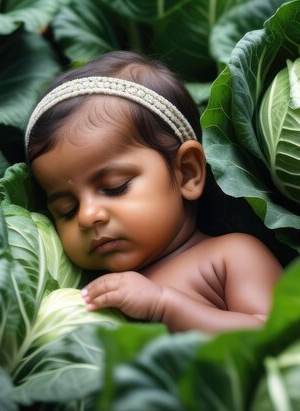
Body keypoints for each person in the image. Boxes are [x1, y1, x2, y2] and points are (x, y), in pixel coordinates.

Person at [25, 50, 283, 333]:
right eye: (67, 210)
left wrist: (164, 306)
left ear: (187, 172)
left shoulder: (231, 255)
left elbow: (276, 334)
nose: (87, 217)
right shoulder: (86, 284)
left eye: (115, 187)